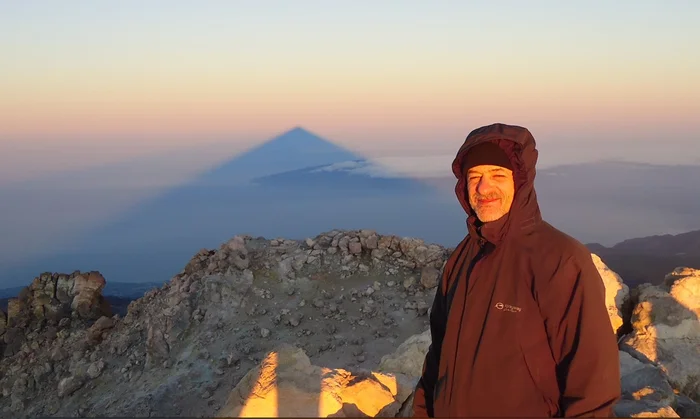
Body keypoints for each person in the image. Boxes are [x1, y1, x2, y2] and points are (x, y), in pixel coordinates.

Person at [412, 123, 621, 417]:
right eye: (474, 177)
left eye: (497, 175)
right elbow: (437, 359)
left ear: (520, 181)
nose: (484, 188)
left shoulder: (560, 259)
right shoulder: (462, 258)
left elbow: (592, 383)